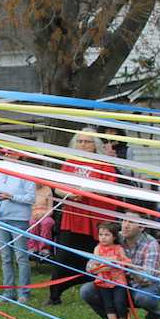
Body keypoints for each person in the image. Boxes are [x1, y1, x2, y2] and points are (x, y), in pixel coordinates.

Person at [46, 129, 117, 305]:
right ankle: (54, 295)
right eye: (80, 141)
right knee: (63, 257)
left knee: (99, 256)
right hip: (73, 219)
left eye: (87, 142)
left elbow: (111, 188)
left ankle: (104, 293)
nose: (83, 145)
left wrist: (89, 191)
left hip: (96, 221)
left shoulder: (104, 165)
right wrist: (70, 194)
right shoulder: (70, 162)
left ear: (96, 145)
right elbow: (57, 187)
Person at [81, 211, 160, 319]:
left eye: (130, 222)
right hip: (115, 283)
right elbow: (90, 266)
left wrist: (128, 266)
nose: (125, 225)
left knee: (143, 298)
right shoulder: (113, 237)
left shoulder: (151, 244)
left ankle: (156, 317)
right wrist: (97, 267)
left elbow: (147, 279)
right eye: (124, 220)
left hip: (142, 286)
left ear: (142, 227)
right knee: (86, 290)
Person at [0, 150, 36, 304]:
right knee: (6, 257)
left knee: (21, 257)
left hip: (19, 219)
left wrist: (12, 197)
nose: (7, 156)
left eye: (10, 153)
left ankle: (24, 293)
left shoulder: (25, 174)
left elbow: (31, 198)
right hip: (1, 219)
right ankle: (8, 292)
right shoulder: (0, 174)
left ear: (19, 155)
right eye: (5, 154)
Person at [85, 222, 130, 319]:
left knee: (119, 301)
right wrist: (99, 265)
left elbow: (125, 261)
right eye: (101, 235)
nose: (103, 237)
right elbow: (95, 262)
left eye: (106, 235)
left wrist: (117, 262)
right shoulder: (97, 248)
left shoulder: (118, 248)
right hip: (103, 281)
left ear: (114, 237)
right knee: (108, 302)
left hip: (118, 281)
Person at [27, 183, 55, 260]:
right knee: (32, 222)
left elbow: (51, 209)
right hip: (33, 215)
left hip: (46, 215)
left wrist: (43, 215)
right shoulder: (28, 189)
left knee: (47, 223)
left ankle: (44, 249)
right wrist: (34, 215)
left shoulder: (47, 189)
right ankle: (33, 248)